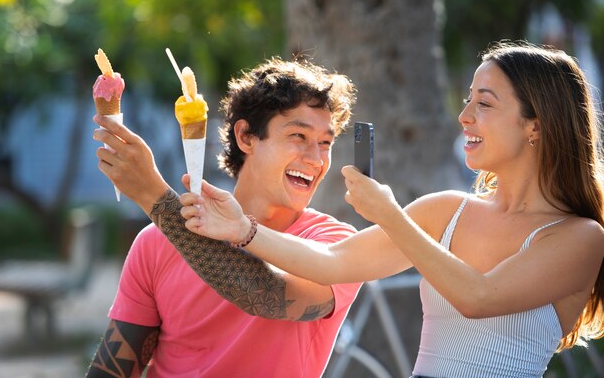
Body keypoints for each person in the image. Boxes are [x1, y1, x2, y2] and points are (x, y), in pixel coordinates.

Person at [180, 41, 604, 377]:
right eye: (468, 99)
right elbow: (331, 261)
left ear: (536, 125)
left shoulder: (579, 238)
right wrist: (243, 229)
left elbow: (478, 296)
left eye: (485, 104)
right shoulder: (447, 211)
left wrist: (390, 215)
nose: (464, 116)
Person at [85, 58, 362, 378]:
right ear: (246, 136)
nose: (315, 159)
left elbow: (269, 296)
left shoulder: (334, 245)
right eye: (298, 136)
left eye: (325, 143)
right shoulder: (155, 243)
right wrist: (163, 211)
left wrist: (156, 199)